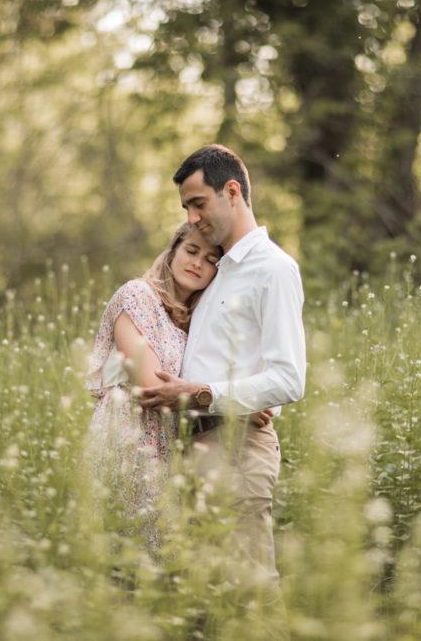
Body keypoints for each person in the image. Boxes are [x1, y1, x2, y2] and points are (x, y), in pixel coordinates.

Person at [140, 144, 307, 599]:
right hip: (196, 446)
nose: (192, 218)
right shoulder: (218, 272)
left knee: (249, 595)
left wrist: (206, 394)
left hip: (236, 449)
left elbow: (289, 379)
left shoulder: (271, 269)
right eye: (186, 208)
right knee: (205, 604)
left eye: (198, 203)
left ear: (231, 191)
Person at [84, 222, 272, 551]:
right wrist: (235, 402)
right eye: (191, 251)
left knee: (161, 562)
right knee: (120, 552)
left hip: (169, 447)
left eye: (211, 259)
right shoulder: (136, 296)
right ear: (172, 253)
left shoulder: (195, 320)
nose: (198, 263)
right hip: (127, 436)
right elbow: (151, 387)